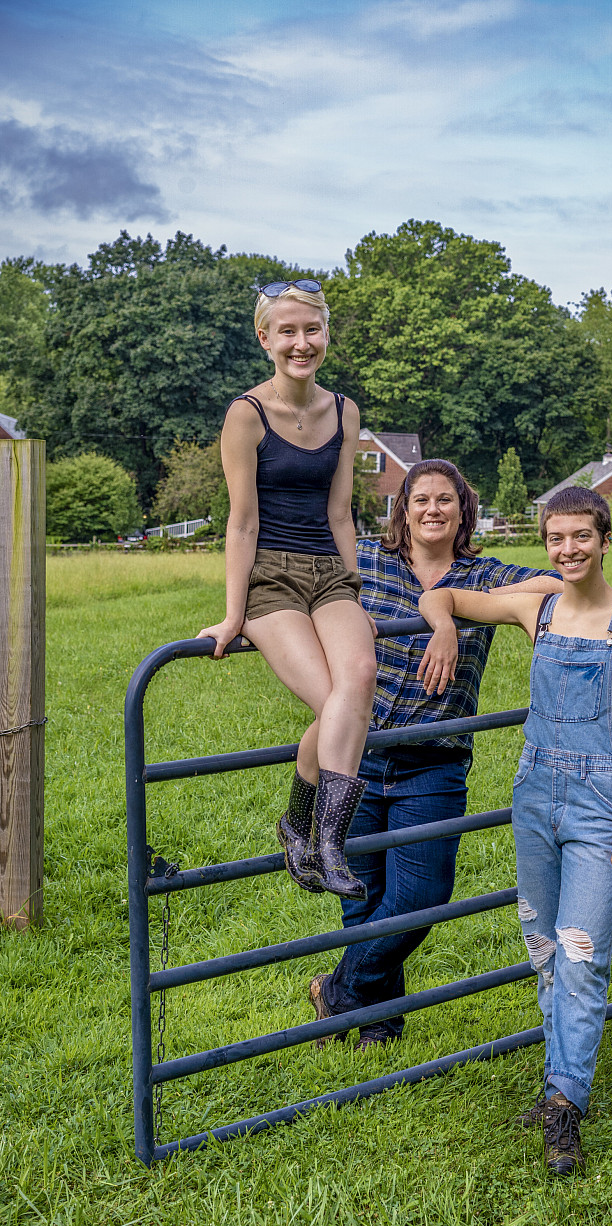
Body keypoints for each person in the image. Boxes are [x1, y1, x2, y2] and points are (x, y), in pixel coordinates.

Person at [419, 485, 612, 1178]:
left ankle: (564, 1104)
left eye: (580, 537)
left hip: (604, 803)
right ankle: (559, 1077)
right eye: (556, 538)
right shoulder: (538, 606)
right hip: (535, 796)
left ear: (604, 539)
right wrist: (441, 624)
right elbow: (442, 594)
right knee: (542, 945)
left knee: (580, 950)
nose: (567, 549)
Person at [308, 458, 561, 1050]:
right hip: (357, 755)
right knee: (364, 899)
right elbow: (302, 588)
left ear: (463, 511)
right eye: (420, 499)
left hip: (434, 761)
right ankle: (378, 1023)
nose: (432, 510)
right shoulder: (366, 563)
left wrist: (444, 608)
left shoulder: (486, 575)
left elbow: (553, 585)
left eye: (445, 500)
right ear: (403, 509)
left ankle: (337, 994)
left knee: (420, 899)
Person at [198, 279, 377, 900]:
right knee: (335, 702)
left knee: (358, 681)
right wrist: (231, 615)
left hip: (330, 573)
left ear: (326, 333)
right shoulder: (246, 415)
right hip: (269, 578)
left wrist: (355, 592)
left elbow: (340, 514)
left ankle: (320, 838)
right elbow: (241, 521)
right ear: (265, 339)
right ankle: (309, 833)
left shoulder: (345, 411)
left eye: (313, 330)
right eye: (288, 332)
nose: (302, 343)